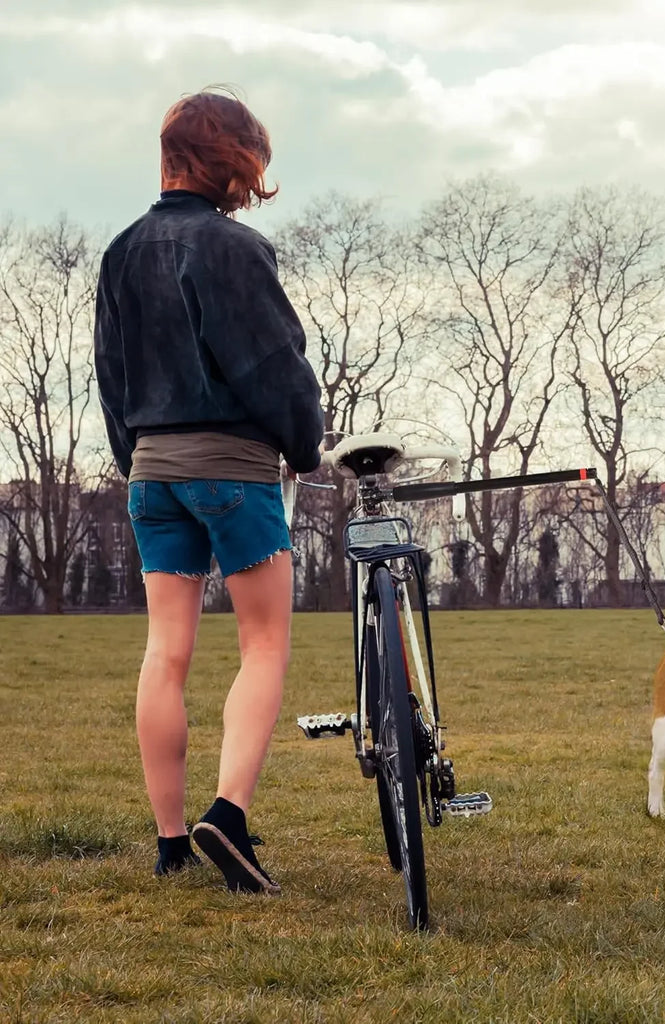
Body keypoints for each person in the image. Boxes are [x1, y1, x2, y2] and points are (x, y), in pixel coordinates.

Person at [94, 87, 323, 894]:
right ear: (230, 159)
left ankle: (168, 843)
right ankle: (227, 817)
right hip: (233, 469)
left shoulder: (121, 250)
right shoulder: (236, 251)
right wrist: (305, 445)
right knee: (263, 644)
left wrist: (140, 462)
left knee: (168, 651)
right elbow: (272, 366)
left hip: (152, 472)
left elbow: (111, 379)